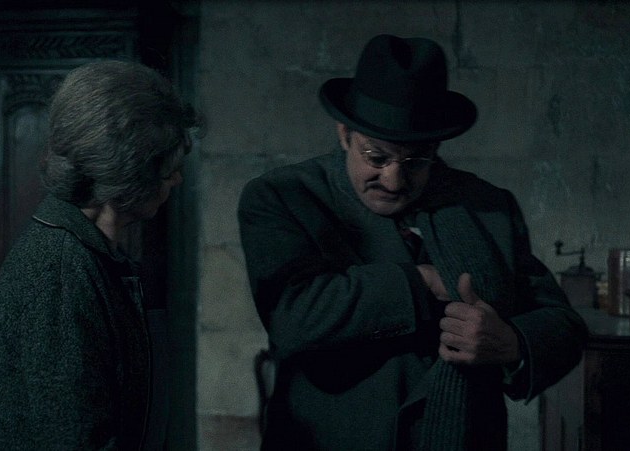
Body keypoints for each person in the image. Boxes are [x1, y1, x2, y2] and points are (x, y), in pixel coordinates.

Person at [238, 34, 587, 451]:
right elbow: (294, 317)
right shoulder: (284, 196)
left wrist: (512, 342)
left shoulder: (488, 206)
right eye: (376, 157)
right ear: (345, 134)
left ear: (436, 148)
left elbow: (563, 325)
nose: (393, 180)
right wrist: (424, 282)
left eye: (416, 160)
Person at [0, 60, 198, 450]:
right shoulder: (60, 267)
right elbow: (72, 437)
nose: (177, 179)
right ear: (128, 173)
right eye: (167, 170)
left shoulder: (91, 254)